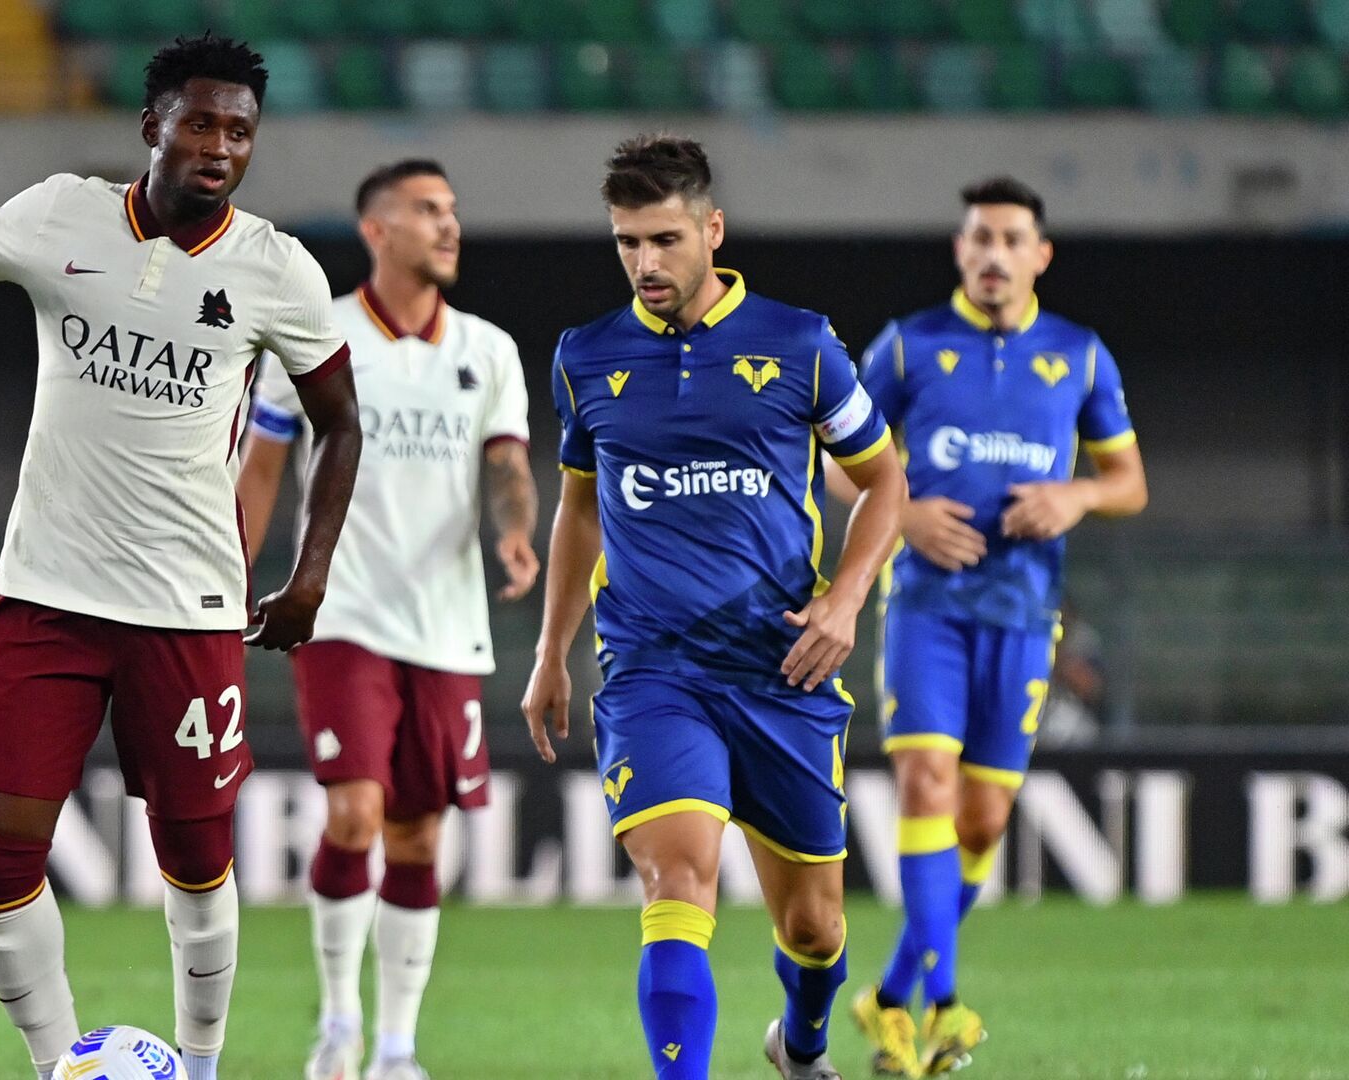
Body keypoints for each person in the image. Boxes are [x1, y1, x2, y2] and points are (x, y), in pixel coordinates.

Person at [0, 34, 363, 1080]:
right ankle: (62, 1068)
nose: (220, 147)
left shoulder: (278, 270)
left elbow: (339, 422)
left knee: (194, 860)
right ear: (152, 127)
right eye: (199, 123)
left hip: (187, 605)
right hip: (44, 592)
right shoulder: (61, 215)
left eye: (239, 130)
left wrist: (312, 572)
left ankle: (201, 1064)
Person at [521, 135, 906, 1080]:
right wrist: (550, 651)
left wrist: (847, 600)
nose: (645, 264)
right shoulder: (587, 357)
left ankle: (800, 1043)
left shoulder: (800, 344)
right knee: (677, 876)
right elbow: (577, 506)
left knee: (814, 930)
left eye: (662, 239)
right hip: (655, 669)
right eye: (625, 244)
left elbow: (885, 481)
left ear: (711, 229)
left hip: (784, 669)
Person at [832, 177, 1147, 1077]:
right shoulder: (909, 346)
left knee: (980, 821)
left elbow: (1130, 481)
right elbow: (840, 470)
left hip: (1023, 613)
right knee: (926, 781)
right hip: (927, 605)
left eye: (1011, 238)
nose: (993, 254)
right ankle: (944, 1005)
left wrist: (1078, 493)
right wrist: (910, 511)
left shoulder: (1080, 356)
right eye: (979, 238)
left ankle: (888, 996)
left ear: (1040, 255)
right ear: (960, 251)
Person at [237, 159, 538, 1080]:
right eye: (428, 211)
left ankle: (397, 1047)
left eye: (452, 210)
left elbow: (509, 465)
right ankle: (338, 1024)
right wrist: (227, 580)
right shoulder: (316, 331)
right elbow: (262, 465)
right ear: (377, 230)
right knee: (357, 814)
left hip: (446, 626)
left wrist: (517, 534)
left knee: (418, 834)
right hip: (341, 612)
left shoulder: (487, 349)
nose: (450, 226)